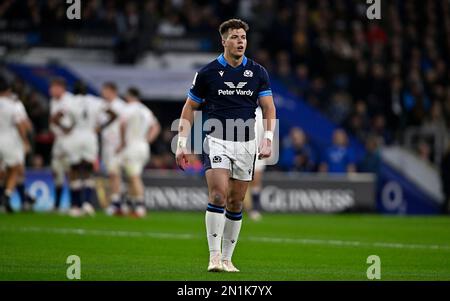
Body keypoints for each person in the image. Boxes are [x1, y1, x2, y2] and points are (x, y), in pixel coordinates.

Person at [175, 19, 276, 272]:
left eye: (243, 37)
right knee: (218, 195)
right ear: (224, 41)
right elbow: (190, 108)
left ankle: (228, 259)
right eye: (234, 37)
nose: (240, 41)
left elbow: (268, 107)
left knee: (235, 202)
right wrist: (182, 143)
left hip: (246, 143)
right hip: (217, 140)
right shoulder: (207, 73)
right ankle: (214, 256)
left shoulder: (258, 72)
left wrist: (269, 138)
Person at [52, 83, 117, 217]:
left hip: (74, 136)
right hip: (90, 136)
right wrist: (101, 127)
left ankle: (76, 206)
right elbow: (113, 114)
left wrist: (66, 128)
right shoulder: (96, 101)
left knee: (74, 170)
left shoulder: (69, 102)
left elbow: (55, 118)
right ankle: (87, 203)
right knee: (88, 170)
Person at [117, 87, 160, 218]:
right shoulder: (145, 110)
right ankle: (132, 204)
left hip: (132, 145)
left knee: (134, 176)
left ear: (128, 96)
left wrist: (123, 142)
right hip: (143, 145)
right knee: (132, 175)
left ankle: (140, 206)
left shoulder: (127, 108)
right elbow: (156, 127)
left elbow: (122, 125)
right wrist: (147, 140)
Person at [0, 77, 30, 213]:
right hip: (9, 140)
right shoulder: (13, 104)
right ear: (8, 90)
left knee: (2, 171)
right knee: (15, 169)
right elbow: (21, 123)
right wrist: (25, 140)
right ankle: (7, 195)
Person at [99, 82, 128, 216]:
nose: (103, 93)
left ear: (112, 91)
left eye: (105, 90)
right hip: (107, 144)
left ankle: (116, 203)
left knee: (114, 173)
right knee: (112, 174)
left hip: (116, 145)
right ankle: (120, 202)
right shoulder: (104, 105)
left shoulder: (120, 105)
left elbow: (125, 125)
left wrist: (122, 142)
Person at [48, 78, 73, 212]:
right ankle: (57, 204)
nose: (50, 91)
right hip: (58, 140)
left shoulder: (70, 100)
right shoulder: (53, 101)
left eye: (53, 87)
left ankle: (73, 202)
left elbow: (73, 122)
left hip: (69, 140)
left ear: (61, 88)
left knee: (69, 170)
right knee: (56, 170)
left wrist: (65, 129)